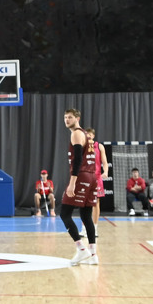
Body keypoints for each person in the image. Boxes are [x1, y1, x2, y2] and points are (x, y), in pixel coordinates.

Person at [60, 108, 97, 265]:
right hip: (92, 176)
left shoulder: (76, 133)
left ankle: (81, 249)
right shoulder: (86, 135)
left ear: (77, 118)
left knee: (65, 214)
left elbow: (77, 161)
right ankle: (94, 255)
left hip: (82, 176)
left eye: (70, 117)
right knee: (86, 216)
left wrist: (72, 182)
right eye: (65, 117)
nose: (67, 120)